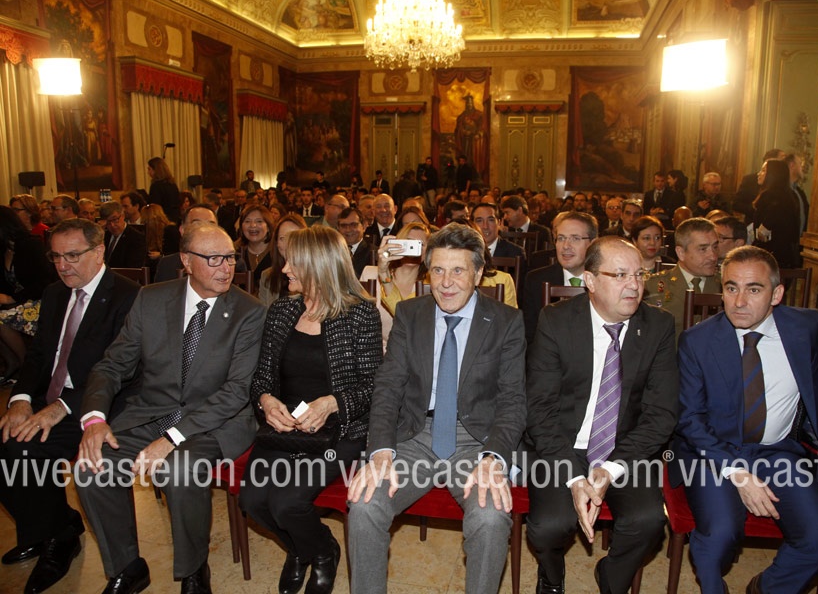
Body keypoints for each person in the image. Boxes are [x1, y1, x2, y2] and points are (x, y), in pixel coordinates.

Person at [75, 224, 266, 594]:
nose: (226, 267)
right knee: (90, 467)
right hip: (152, 412)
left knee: (179, 469)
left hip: (216, 422)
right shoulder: (151, 299)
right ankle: (127, 568)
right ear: (186, 261)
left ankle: (194, 570)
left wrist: (171, 439)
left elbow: (236, 392)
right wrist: (95, 419)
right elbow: (112, 365)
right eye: (213, 259)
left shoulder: (249, 311)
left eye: (230, 258)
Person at [347, 223, 526, 594]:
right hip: (415, 435)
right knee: (364, 506)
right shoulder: (410, 314)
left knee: (491, 518)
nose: (446, 283)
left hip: (476, 441)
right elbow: (388, 387)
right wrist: (380, 451)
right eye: (438, 270)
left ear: (478, 273)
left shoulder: (506, 322)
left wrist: (494, 458)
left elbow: (513, 400)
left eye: (458, 270)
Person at [674, 245, 818, 594]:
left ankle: (764, 589)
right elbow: (690, 420)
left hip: (777, 451)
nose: (739, 301)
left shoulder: (806, 326)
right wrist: (737, 473)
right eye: (731, 287)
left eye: (753, 289)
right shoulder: (696, 341)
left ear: (777, 294)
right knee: (719, 535)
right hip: (713, 454)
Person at [526, 237, 677, 594]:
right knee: (548, 526)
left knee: (648, 521)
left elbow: (661, 414)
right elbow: (539, 408)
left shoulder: (658, 326)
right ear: (590, 281)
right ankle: (551, 577)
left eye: (638, 275)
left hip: (626, 447)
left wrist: (611, 468)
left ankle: (611, 577)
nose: (634, 285)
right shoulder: (556, 321)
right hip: (563, 444)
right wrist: (573, 477)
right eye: (620, 275)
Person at [0, 219, 139, 594]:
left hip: (98, 405)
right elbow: (39, 356)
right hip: (50, 395)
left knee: (24, 450)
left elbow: (124, 371)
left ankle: (57, 539)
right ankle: (56, 523)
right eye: (56, 256)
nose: (63, 265)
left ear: (99, 251)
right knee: (7, 439)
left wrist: (62, 406)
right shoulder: (55, 293)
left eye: (73, 255)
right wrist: (20, 400)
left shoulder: (128, 297)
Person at [241, 225, 381, 594]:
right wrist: (266, 401)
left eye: (294, 263)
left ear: (319, 265)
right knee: (253, 501)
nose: (285, 269)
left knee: (287, 503)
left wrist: (333, 402)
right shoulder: (282, 311)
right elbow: (261, 378)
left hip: (339, 432)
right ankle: (307, 548)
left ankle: (320, 553)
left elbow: (375, 386)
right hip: (284, 429)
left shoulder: (359, 314)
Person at [522, 211, 598, 343]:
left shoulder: (604, 281)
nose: (566, 246)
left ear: (593, 244)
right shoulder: (536, 280)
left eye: (575, 238)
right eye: (561, 238)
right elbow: (530, 335)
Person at [0, 206, 56, 382]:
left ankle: (27, 366)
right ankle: (12, 363)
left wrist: (12, 298)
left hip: (40, 300)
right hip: (18, 302)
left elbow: (45, 282)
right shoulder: (4, 250)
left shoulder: (31, 245)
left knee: (0, 319)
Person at [643, 217, 721, 339]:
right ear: (681, 253)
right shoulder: (652, 287)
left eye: (715, 247)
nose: (713, 256)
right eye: (703, 249)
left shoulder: (725, 285)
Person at [374, 222, 431, 316]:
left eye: (420, 244)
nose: (413, 248)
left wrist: (384, 274)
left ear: (428, 251)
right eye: (409, 243)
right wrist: (383, 271)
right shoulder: (369, 275)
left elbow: (405, 316)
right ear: (396, 244)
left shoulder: (431, 284)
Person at [753, 158, 801, 268]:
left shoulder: (772, 198)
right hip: (784, 257)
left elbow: (762, 233)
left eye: (763, 170)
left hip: (771, 259)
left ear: (773, 175)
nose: (759, 173)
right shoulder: (789, 196)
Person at [259, 213, 307, 306]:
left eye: (294, 237)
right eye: (283, 238)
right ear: (276, 243)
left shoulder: (315, 276)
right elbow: (263, 313)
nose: (288, 243)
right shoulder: (267, 277)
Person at [236, 204, 274, 293]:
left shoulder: (277, 252)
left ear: (268, 227)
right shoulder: (236, 253)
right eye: (247, 221)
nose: (253, 225)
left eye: (259, 221)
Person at [100, 201, 148, 269]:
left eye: (115, 220)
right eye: (108, 222)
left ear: (123, 216)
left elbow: (133, 268)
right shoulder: (103, 236)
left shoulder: (136, 238)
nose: (112, 225)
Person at [338, 207, 372, 279]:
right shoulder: (332, 251)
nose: (348, 230)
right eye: (343, 226)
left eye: (353, 225)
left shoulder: (373, 253)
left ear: (364, 226)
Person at [146, 157, 181, 223]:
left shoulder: (156, 186)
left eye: (149, 169)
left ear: (156, 170)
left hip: (163, 220)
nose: (148, 172)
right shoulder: (172, 184)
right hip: (175, 218)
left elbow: (155, 205)